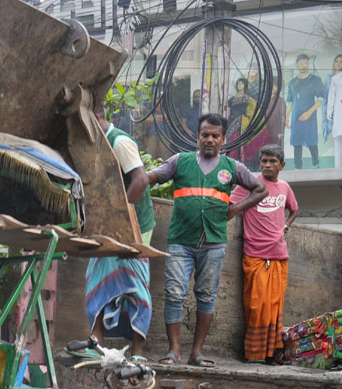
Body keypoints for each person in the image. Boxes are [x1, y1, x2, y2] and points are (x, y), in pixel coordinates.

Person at [145, 113, 266, 367]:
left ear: (223, 139)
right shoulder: (180, 161)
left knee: (207, 295)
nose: (209, 139)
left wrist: (235, 208)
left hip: (213, 242)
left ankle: (196, 353)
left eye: (215, 135)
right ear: (197, 137)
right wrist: (131, 178)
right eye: (205, 135)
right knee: (174, 293)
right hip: (180, 241)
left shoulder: (233, 168)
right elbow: (149, 177)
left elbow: (260, 189)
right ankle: (173, 352)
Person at [84, 114, 154, 360]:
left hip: (133, 225)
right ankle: (96, 343)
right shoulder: (95, 145)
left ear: (96, 117)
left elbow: (141, 180)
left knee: (135, 285)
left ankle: (137, 351)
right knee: (95, 278)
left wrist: (119, 217)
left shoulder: (120, 142)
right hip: (107, 224)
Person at [230, 144, 298, 363]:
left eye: (273, 161)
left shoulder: (286, 188)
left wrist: (285, 226)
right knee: (256, 305)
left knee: (275, 306)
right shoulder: (250, 185)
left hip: (279, 254)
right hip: (255, 254)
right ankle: (253, 353)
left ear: (282, 165)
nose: (268, 165)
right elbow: (230, 206)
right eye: (264, 161)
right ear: (259, 163)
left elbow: (294, 209)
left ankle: (271, 353)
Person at [285, 53, 325, 170]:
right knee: (297, 143)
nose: (304, 66)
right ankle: (297, 168)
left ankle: (316, 164)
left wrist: (309, 112)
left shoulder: (315, 80)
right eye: (301, 63)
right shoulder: (292, 83)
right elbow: (289, 102)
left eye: (306, 63)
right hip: (296, 117)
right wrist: (287, 118)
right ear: (297, 66)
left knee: (311, 141)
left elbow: (320, 98)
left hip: (310, 116)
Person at [227, 78, 257, 161]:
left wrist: (247, 120)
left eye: (242, 83)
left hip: (242, 123)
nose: (239, 85)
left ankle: (240, 160)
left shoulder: (249, 99)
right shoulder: (231, 99)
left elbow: (253, 112)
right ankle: (230, 160)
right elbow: (228, 112)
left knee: (240, 143)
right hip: (231, 122)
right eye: (238, 83)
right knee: (230, 141)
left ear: (245, 85)